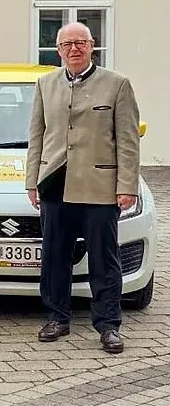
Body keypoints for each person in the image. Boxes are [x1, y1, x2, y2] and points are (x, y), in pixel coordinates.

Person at [26, 22, 140, 354]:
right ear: (58, 50)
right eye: (67, 44)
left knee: (104, 259)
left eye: (80, 43)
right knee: (54, 256)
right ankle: (57, 318)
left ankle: (108, 325)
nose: (74, 49)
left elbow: (128, 141)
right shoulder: (45, 84)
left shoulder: (117, 85)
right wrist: (32, 181)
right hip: (55, 184)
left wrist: (127, 186)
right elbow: (37, 136)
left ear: (92, 46)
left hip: (99, 186)